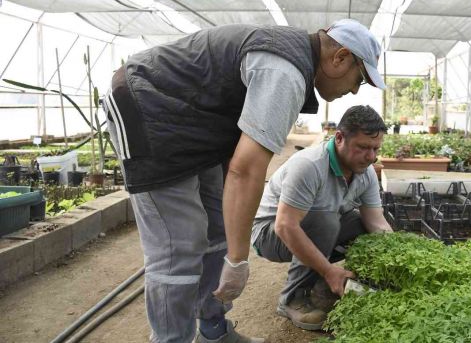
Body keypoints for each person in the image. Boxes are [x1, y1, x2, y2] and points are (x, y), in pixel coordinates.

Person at [101, 20, 385, 343]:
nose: (354, 90)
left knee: (218, 227)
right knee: (179, 245)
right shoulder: (286, 72)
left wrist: (231, 251)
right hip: (148, 106)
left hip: (193, 124)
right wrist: (238, 260)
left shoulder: (294, 63)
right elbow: (246, 170)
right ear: (340, 58)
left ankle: (212, 330)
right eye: (359, 79)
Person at [251, 105, 393, 331]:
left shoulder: (365, 172)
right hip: (269, 233)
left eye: (376, 149)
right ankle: (293, 298)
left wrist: (397, 257)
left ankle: (329, 281)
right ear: (339, 138)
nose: (371, 157)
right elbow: (285, 225)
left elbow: (376, 222)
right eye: (364, 147)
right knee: (325, 221)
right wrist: (329, 270)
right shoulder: (309, 165)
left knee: (360, 225)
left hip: (312, 226)